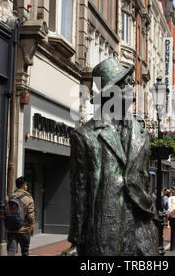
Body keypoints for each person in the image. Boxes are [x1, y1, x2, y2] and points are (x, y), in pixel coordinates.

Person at [68, 58, 158, 256]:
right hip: (106, 230)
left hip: (141, 228)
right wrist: (76, 241)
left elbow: (143, 179)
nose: (132, 86)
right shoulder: (85, 136)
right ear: (110, 91)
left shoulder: (140, 132)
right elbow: (80, 193)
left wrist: (153, 217)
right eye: (125, 83)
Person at [5, 176, 35, 256]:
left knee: (11, 251)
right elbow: (30, 215)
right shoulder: (28, 198)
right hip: (24, 229)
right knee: (25, 251)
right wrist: (32, 225)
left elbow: (3, 213)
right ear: (24, 186)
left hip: (11, 229)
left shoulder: (9, 197)